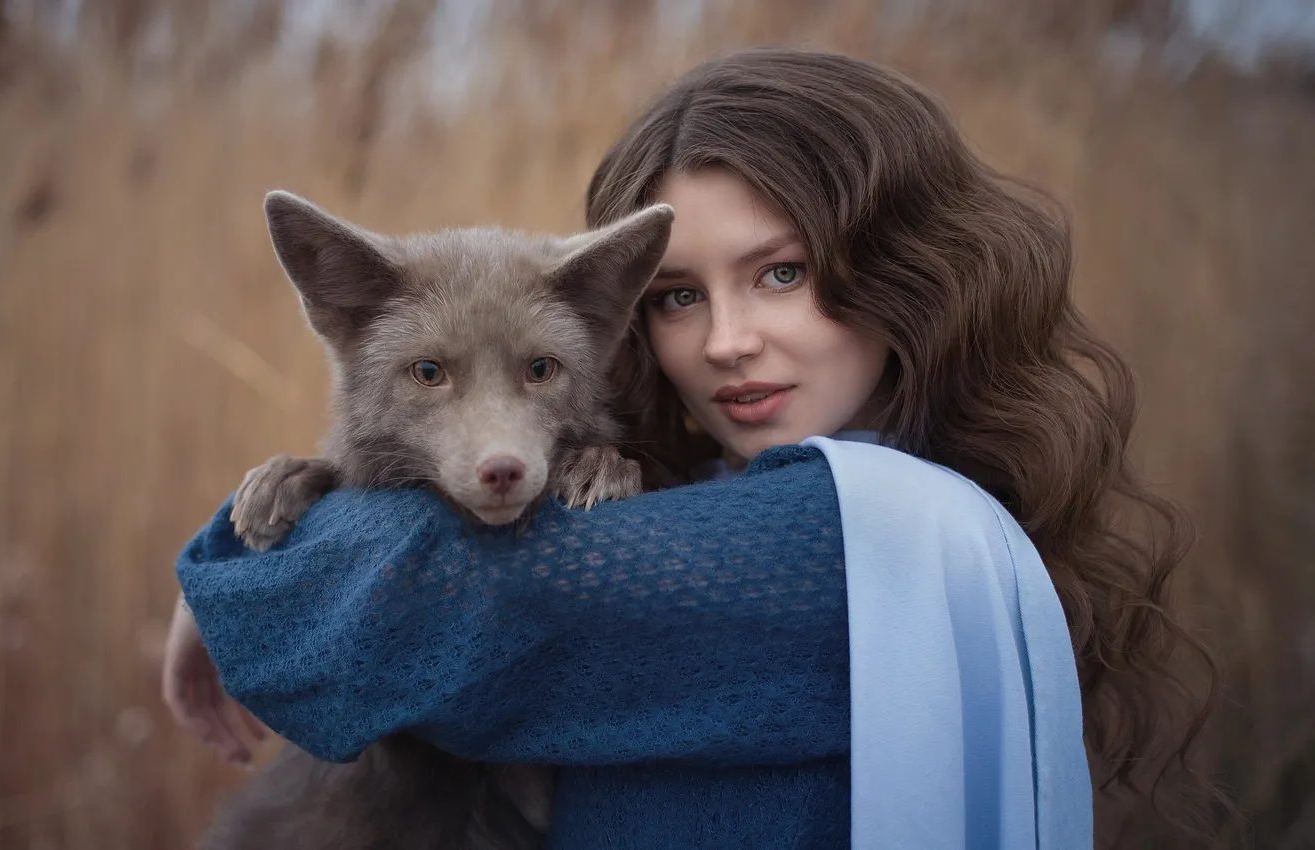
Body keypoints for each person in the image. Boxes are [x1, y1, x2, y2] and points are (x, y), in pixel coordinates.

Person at [165, 47, 1217, 849]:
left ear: (909, 268)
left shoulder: (854, 544)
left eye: (782, 273)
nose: (724, 342)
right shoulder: (736, 502)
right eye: (675, 295)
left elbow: (422, 605)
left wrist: (231, 573)